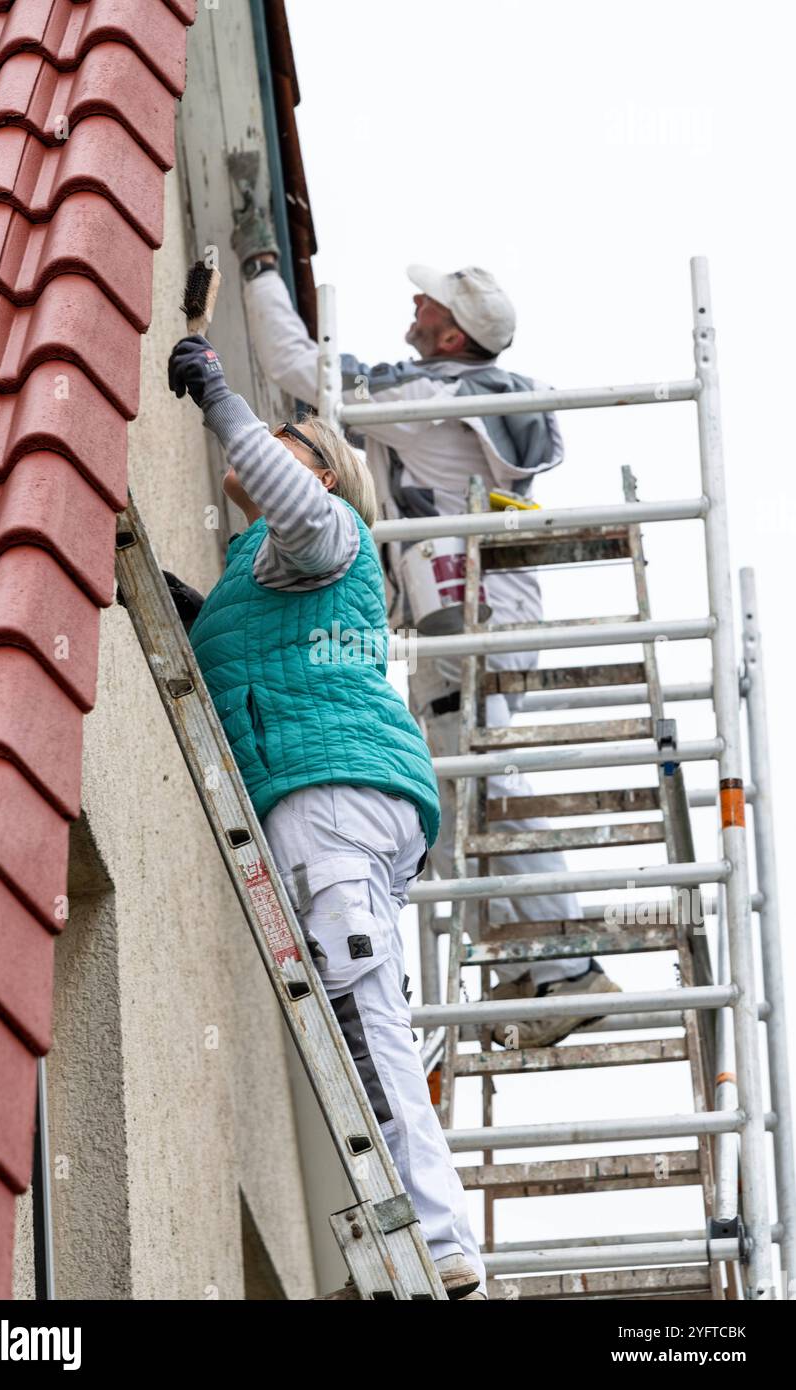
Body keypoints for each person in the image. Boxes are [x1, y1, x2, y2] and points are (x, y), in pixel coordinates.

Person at [230, 218, 621, 1049]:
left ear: (451, 333)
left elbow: (305, 373)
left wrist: (261, 270)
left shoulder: (434, 399)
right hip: (482, 610)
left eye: (428, 301)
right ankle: (542, 959)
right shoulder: (473, 403)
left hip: (465, 615)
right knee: (460, 784)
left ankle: (571, 962)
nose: (413, 302)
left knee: (486, 783)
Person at [166, 332, 487, 1299]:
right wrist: (193, 613)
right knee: (358, 1016)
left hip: (333, 804)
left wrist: (221, 395)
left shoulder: (327, 528)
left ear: (325, 474)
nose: (257, 444)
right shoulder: (263, 572)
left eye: (285, 440)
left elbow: (296, 494)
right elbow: (255, 656)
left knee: (363, 1013)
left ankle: (434, 1243)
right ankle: (410, 1242)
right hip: (345, 805)